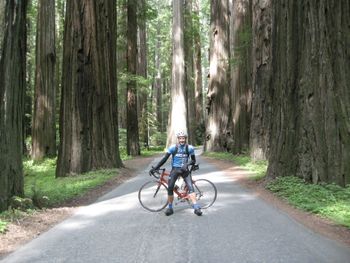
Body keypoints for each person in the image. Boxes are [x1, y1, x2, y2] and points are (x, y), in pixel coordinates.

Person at [150, 131, 202, 216]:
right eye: (180, 138)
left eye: (183, 138)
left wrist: (187, 164)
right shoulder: (173, 148)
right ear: (178, 139)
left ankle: (196, 208)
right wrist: (156, 167)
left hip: (185, 170)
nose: (182, 140)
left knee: (191, 188)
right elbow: (164, 159)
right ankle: (170, 208)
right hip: (175, 170)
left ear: (186, 139)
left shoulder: (189, 148)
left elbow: (193, 160)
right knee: (170, 188)